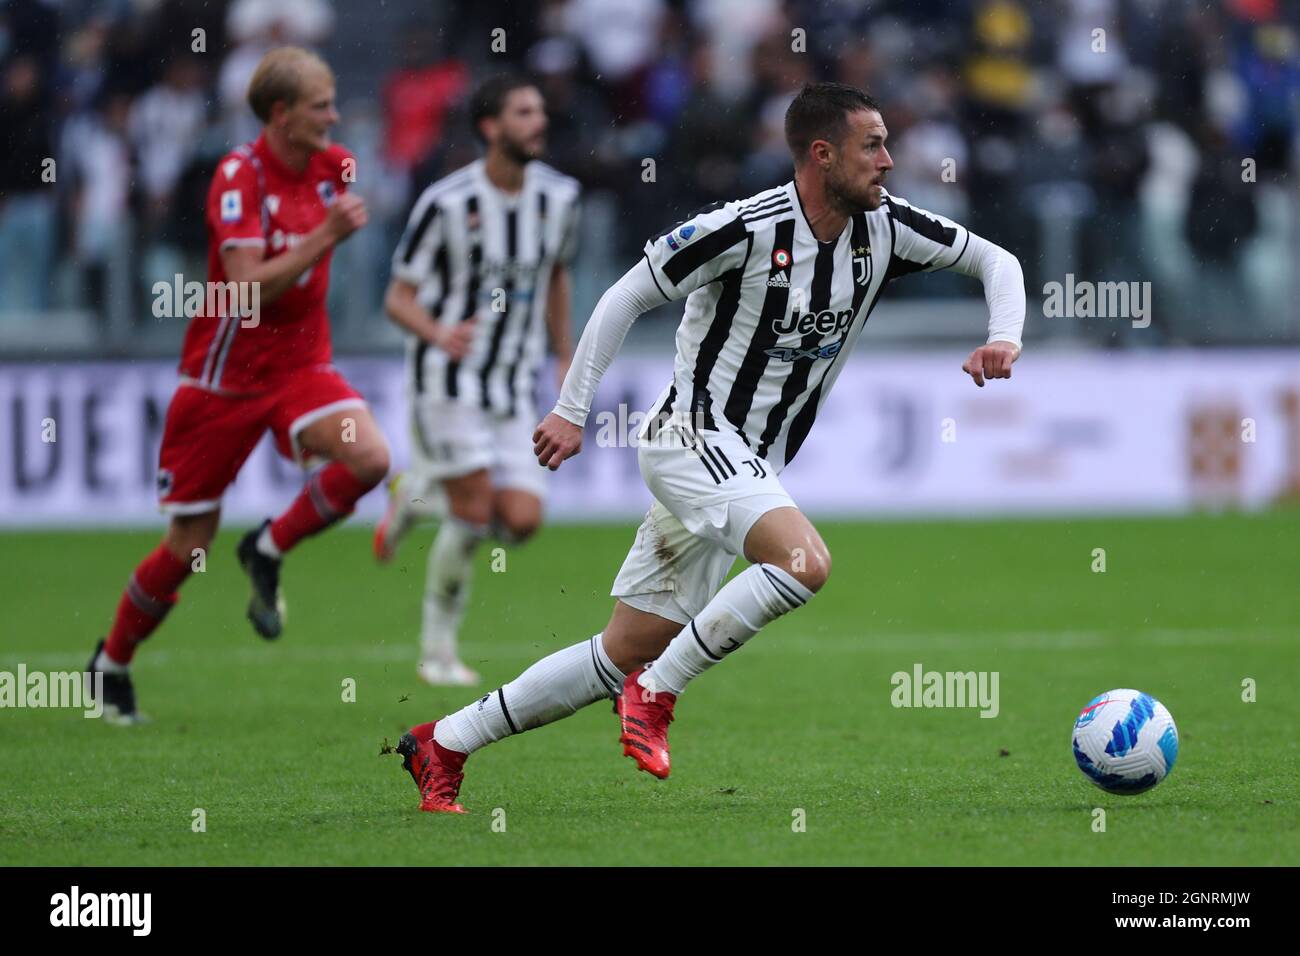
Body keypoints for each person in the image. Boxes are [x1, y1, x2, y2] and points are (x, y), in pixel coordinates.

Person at [395, 82, 1025, 812]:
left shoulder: (885, 227)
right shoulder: (744, 228)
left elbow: (996, 261)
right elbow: (625, 295)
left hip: (747, 462)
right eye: (872, 145)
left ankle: (442, 742)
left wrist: (1004, 336)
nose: (889, 160)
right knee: (802, 562)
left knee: (624, 649)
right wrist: (571, 410)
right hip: (690, 437)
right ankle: (658, 695)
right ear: (822, 155)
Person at [86, 47, 389, 724]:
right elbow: (247, 285)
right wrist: (325, 237)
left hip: (301, 367)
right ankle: (111, 663)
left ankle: (268, 546)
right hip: (223, 382)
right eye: (321, 106)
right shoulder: (237, 175)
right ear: (280, 114)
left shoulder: (334, 166)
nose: (335, 117)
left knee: (369, 458)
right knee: (189, 545)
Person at [375, 75, 580, 686]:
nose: (538, 121)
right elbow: (398, 298)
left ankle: (416, 492)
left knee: (520, 520)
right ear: (490, 127)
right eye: (523, 112)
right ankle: (437, 650)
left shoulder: (560, 200)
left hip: (513, 384)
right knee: (472, 513)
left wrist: (564, 351)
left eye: (541, 110)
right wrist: (438, 334)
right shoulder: (444, 203)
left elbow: (558, 276)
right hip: (448, 378)